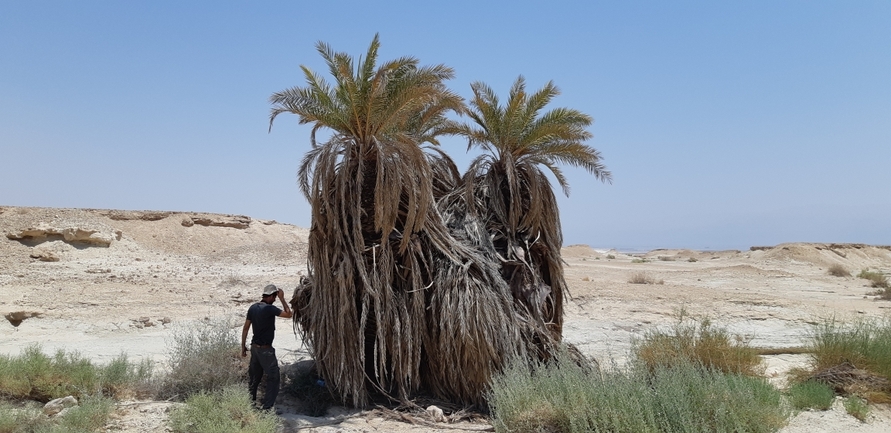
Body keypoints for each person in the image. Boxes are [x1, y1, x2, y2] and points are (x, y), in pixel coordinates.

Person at [241, 284, 292, 411]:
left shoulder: (253, 308)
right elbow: (288, 314)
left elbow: (246, 328)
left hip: (254, 348)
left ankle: (251, 405)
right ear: (271, 296)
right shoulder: (270, 309)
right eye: (274, 296)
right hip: (265, 350)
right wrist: (282, 298)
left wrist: (243, 346)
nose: (275, 299)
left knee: (254, 378)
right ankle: (267, 408)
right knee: (274, 377)